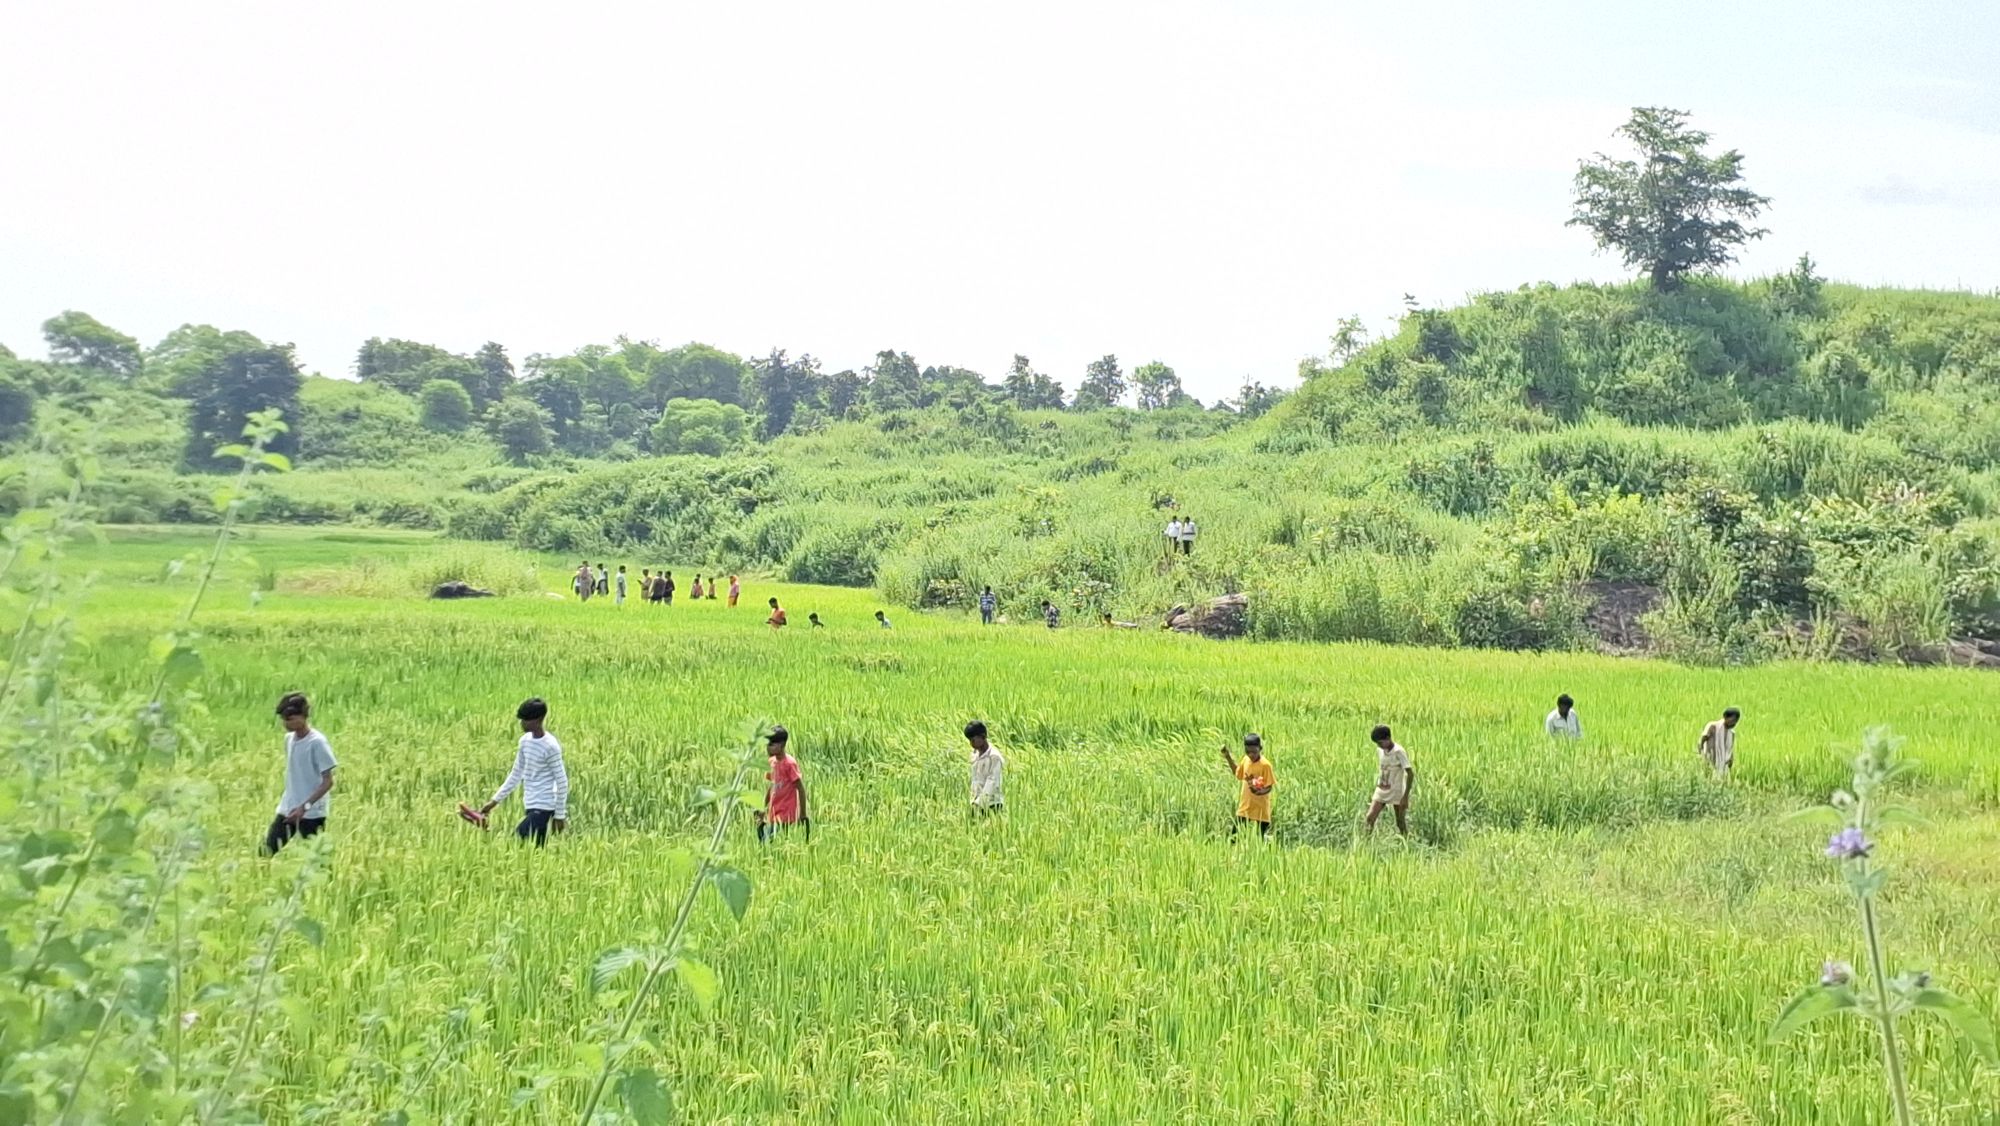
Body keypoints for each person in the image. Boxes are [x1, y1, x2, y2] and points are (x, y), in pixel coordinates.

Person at [476, 698, 569, 847]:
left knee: (517, 841)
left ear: (538, 719)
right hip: (530, 804)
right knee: (535, 849)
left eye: (526, 720)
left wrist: (559, 816)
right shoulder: (525, 741)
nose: (522, 723)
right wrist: (493, 802)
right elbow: (516, 775)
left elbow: (562, 781)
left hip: (545, 806)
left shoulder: (550, 746)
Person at [264, 692, 337, 855]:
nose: (286, 723)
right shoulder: (289, 740)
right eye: (283, 719)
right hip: (288, 808)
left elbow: (328, 781)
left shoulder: (317, 743)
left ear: (303, 716)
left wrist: (305, 807)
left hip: (312, 813)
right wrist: (295, 807)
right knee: (266, 851)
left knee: (315, 858)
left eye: (290, 719)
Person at [758, 726, 807, 842]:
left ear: (782, 745)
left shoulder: (789, 764)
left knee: (771, 840)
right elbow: (772, 787)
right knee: (767, 841)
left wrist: (802, 813)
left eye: (771, 744)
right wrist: (763, 808)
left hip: (786, 813)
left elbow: (800, 788)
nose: (768, 748)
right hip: (774, 812)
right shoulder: (772, 762)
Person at [1220, 733, 1274, 838]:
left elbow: (1269, 786)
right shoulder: (1245, 760)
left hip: (1261, 809)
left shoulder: (1265, 765)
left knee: (1260, 839)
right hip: (1245, 807)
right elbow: (1237, 773)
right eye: (1248, 752)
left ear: (1260, 749)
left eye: (1254, 752)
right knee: (1233, 837)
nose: (1251, 755)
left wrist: (1259, 792)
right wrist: (1228, 757)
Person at [1364, 724, 1412, 837]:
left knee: (1400, 823)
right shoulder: (1380, 750)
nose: (1379, 746)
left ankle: (1406, 842)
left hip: (1396, 790)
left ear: (1388, 738)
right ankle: (1365, 842)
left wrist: (1405, 797)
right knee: (1370, 818)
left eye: (1380, 743)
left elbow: (1410, 774)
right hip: (1382, 788)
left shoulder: (1399, 752)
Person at [966, 720, 1004, 814]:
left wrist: (980, 803)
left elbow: (992, 781)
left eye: (973, 740)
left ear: (983, 737)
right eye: (970, 740)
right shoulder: (974, 755)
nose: (971, 743)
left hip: (992, 804)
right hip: (976, 802)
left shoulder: (994, 757)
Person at [1698, 708, 1740, 777]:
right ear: (1725, 717)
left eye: (1736, 721)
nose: (1734, 723)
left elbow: (1730, 749)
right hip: (1710, 762)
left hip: (1724, 766)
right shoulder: (1713, 726)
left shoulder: (1732, 733)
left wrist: (1731, 759)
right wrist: (1701, 755)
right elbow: (1702, 740)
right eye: (1732, 720)